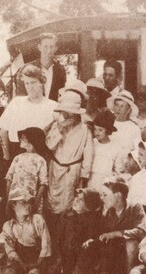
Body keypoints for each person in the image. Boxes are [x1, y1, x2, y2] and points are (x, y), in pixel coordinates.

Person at [74, 176, 145, 274]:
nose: (102, 198)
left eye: (105, 195)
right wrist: (94, 241)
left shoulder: (135, 207)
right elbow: (103, 233)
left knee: (131, 243)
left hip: (133, 256)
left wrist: (116, 234)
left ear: (117, 195)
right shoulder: (110, 212)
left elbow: (141, 231)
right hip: (116, 255)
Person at [46, 91, 94, 240]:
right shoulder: (57, 126)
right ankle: (53, 245)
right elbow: (49, 145)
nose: (67, 116)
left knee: (68, 208)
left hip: (72, 170)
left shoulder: (85, 130)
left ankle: (64, 244)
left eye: (70, 113)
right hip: (56, 168)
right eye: (65, 112)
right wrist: (60, 130)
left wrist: (83, 177)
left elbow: (88, 155)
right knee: (52, 204)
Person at [0, 64, 56, 161]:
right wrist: (7, 156)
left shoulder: (53, 106)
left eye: (33, 83)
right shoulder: (16, 102)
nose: (30, 87)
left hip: (42, 155)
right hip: (16, 152)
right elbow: (3, 132)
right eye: (27, 83)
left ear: (42, 82)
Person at [0, 188, 52, 274]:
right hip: (19, 260)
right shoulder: (8, 226)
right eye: (23, 202)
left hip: (37, 259)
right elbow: (10, 250)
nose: (28, 205)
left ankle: (33, 272)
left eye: (29, 202)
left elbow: (46, 245)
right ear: (13, 205)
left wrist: (37, 263)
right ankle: (21, 272)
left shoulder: (37, 220)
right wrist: (21, 264)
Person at [55, 188, 102, 274]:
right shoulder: (66, 215)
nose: (76, 200)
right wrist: (59, 259)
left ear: (89, 205)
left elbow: (89, 246)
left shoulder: (93, 220)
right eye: (76, 197)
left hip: (81, 257)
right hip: (66, 255)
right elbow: (58, 238)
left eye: (81, 200)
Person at [6, 127, 49, 214]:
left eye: (23, 137)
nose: (20, 139)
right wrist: (8, 200)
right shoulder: (18, 158)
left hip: (31, 200)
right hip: (15, 200)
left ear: (31, 140)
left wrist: (36, 202)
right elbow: (9, 179)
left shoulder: (40, 160)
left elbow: (43, 184)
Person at [15, 33, 66, 102]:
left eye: (51, 47)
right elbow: (21, 95)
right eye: (45, 46)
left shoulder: (60, 70)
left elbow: (61, 94)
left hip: (51, 110)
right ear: (39, 47)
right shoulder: (27, 68)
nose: (48, 50)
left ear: (55, 48)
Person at [88, 109, 122, 191]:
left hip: (105, 181)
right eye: (95, 129)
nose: (97, 132)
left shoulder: (115, 147)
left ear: (107, 131)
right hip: (90, 178)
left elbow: (118, 169)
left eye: (100, 130)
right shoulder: (92, 143)